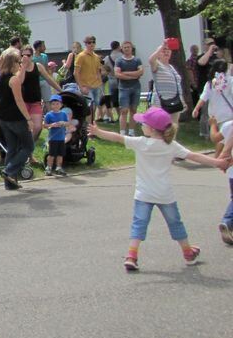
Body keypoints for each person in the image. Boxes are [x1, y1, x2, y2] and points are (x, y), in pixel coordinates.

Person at [88, 107, 228, 271]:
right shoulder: (171, 146)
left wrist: (98, 131)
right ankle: (188, 253)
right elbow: (195, 156)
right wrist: (217, 162)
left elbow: (117, 137)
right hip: (165, 195)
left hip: (143, 194)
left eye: (143, 123)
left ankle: (132, 256)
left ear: (152, 129)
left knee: (139, 224)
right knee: (175, 223)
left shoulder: (141, 142)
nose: (141, 125)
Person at [0, 47, 33, 191]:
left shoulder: (2, 78)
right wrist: (28, 119)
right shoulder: (14, 80)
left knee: (12, 149)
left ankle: (9, 183)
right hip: (16, 118)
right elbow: (19, 101)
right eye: (18, 61)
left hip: (4, 118)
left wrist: (23, 66)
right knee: (28, 146)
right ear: (12, 62)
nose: (20, 63)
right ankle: (9, 171)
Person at [148, 40, 186, 126]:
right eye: (163, 50)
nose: (166, 52)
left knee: (173, 127)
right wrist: (162, 46)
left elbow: (177, 85)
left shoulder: (171, 67)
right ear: (158, 53)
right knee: (160, 127)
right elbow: (150, 60)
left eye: (168, 50)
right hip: (161, 102)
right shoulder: (157, 64)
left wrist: (182, 100)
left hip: (175, 102)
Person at [192, 59, 233, 130]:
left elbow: (203, 98)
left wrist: (196, 108)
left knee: (217, 138)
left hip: (214, 116)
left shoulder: (210, 83)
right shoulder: (230, 80)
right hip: (228, 115)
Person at [114, 41, 144, 137]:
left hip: (136, 88)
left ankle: (131, 131)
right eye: (125, 47)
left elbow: (141, 72)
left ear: (132, 48)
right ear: (122, 49)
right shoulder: (119, 61)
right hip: (123, 88)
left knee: (134, 109)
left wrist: (126, 73)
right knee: (124, 110)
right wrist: (133, 75)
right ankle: (122, 132)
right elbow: (117, 74)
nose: (127, 49)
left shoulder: (137, 60)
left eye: (128, 47)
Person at [74, 35, 104, 116]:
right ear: (85, 44)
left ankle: (91, 124)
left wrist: (101, 85)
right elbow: (76, 73)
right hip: (86, 86)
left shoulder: (96, 57)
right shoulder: (81, 56)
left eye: (93, 42)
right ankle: (86, 125)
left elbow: (98, 72)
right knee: (89, 107)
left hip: (96, 86)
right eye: (89, 42)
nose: (92, 44)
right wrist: (81, 87)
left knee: (95, 107)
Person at [43, 95, 70, 177]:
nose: (55, 106)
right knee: (51, 154)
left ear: (61, 105)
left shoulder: (63, 114)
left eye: (57, 104)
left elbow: (68, 123)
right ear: (51, 105)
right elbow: (44, 125)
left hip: (61, 138)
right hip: (53, 138)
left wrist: (63, 123)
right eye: (53, 104)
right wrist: (52, 125)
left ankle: (59, 167)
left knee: (60, 154)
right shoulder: (49, 115)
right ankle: (49, 167)